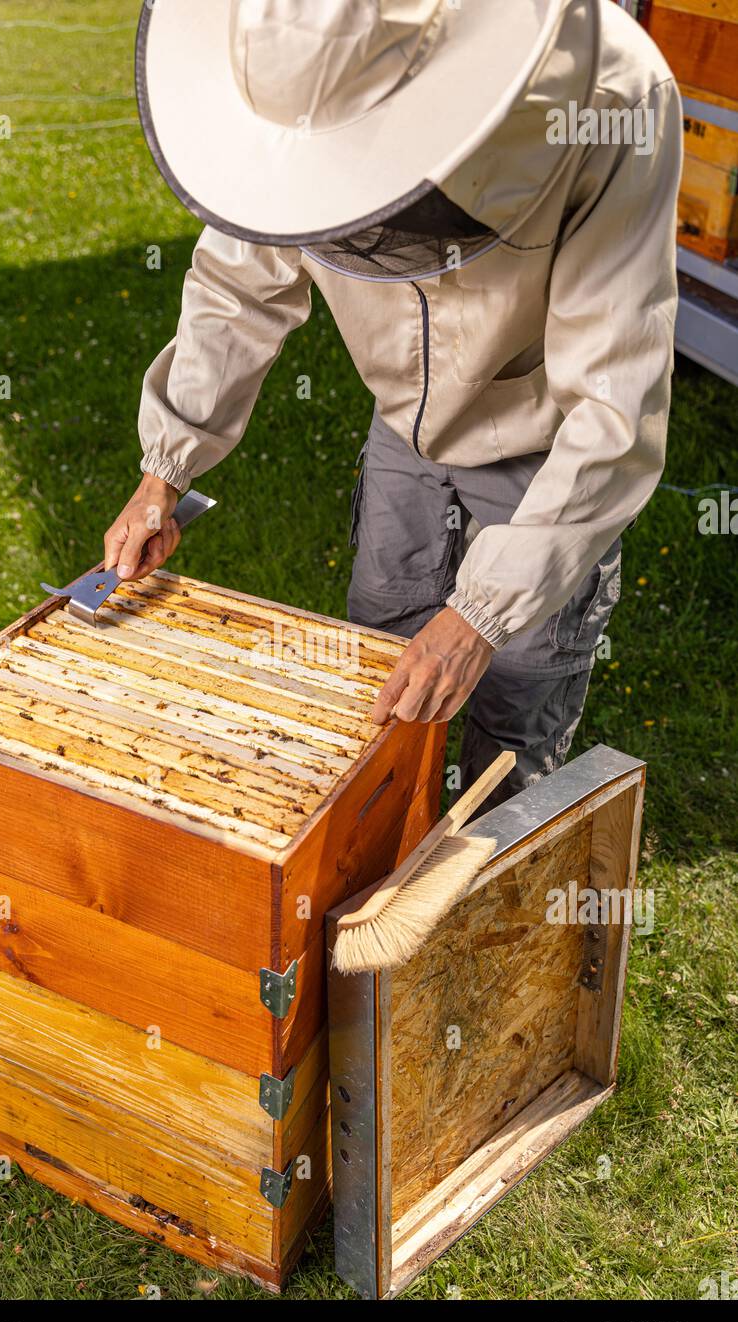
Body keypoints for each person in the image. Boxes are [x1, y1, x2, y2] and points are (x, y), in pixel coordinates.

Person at [104, 0, 681, 807]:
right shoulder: (279, 85)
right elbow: (238, 290)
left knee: (510, 721)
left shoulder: (609, 99)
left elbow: (614, 405)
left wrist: (482, 615)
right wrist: (164, 470)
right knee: (381, 671)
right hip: (402, 437)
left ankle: (488, 882)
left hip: (549, 449)